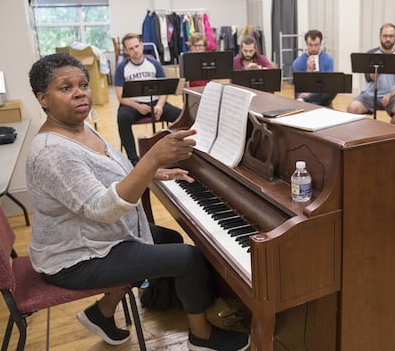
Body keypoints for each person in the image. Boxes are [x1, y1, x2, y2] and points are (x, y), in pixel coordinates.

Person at [26, 53, 250, 351]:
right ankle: (202, 337)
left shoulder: (79, 127)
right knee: (187, 258)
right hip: (75, 258)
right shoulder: (52, 151)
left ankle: (102, 312)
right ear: (43, 99)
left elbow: (107, 175)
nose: (79, 92)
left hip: (94, 238)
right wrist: (152, 158)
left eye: (83, 84)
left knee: (166, 237)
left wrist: (152, 172)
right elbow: (103, 210)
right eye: (65, 88)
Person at [114, 33, 182, 166]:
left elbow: (164, 89)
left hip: (155, 103)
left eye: (137, 46)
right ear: (126, 51)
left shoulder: (154, 64)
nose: (135, 51)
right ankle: (133, 160)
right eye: (131, 48)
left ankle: (179, 154)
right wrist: (137, 106)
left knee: (181, 116)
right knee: (122, 118)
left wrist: (160, 106)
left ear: (142, 45)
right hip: (133, 105)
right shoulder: (122, 67)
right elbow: (120, 96)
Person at [346, 23, 395, 125]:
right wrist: (378, 69)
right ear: (380, 36)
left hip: (391, 96)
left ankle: (390, 136)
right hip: (369, 95)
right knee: (351, 108)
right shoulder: (371, 54)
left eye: (391, 36)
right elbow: (368, 78)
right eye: (385, 36)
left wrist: (389, 96)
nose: (388, 39)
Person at [292, 29, 335, 107]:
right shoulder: (297, 62)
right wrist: (308, 71)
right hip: (305, 92)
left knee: (333, 88)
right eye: (310, 45)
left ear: (320, 44)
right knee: (304, 95)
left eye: (316, 45)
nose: (313, 49)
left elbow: (328, 85)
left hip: (321, 95)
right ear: (306, 44)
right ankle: (311, 101)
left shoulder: (328, 59)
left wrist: (310, 94)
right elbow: (300, 88)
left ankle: (309, 100)